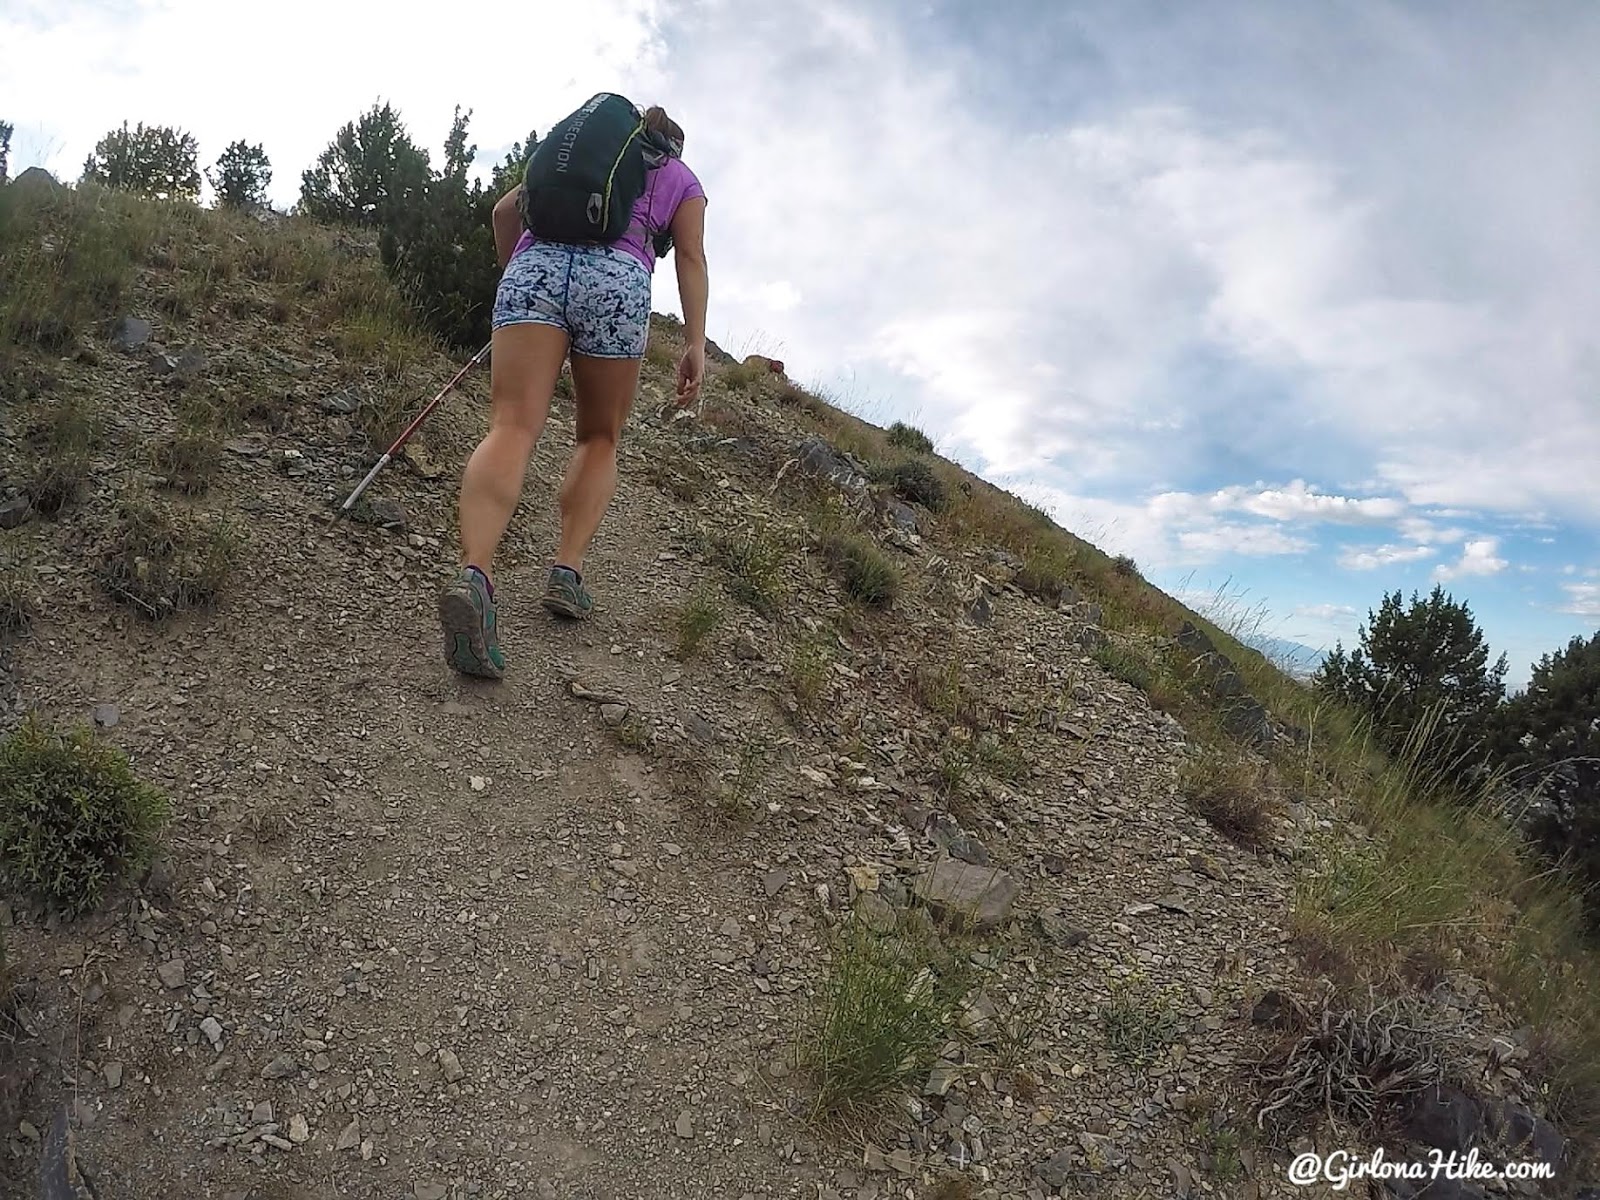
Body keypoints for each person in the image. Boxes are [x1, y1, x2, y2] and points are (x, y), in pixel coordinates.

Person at [438, 105, 709, 680]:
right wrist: (694, 343)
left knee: (511, 425)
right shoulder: (680, 180)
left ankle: (475, 576)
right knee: (599, 436)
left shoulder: (575, 154)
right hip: (617, 282)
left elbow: (505, 210)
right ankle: (567, 570)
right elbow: (689, 255)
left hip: (534, 268)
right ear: (673, 144)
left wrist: (522, 279)